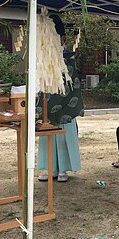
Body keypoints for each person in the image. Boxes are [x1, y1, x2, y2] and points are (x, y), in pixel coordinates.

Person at [37, 14, 83, 183]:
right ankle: (50, 168)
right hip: (48, 103)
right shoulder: (43, 58)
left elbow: (73, 84)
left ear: (62, 38)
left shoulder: (69, 58)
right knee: (47, 136)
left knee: (63, 136)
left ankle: (63, 168)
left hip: (65, 105)